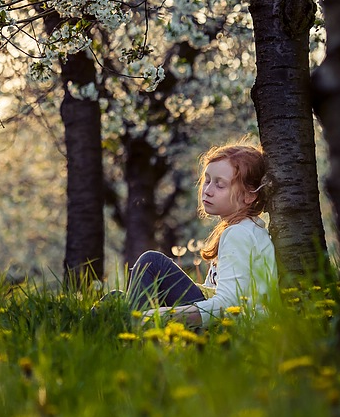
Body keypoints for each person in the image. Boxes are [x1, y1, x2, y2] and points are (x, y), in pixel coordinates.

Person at [114, 141, 278, 330]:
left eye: (220, 185)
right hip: (228, 325)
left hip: (234, 331)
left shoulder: (239, 234)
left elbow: (228, 305)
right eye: (207, 180)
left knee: (151, 262)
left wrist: (159, 315)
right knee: (115, 300)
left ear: (249, 196)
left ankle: (134, 340)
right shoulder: (243, 230)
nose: (207, 190)